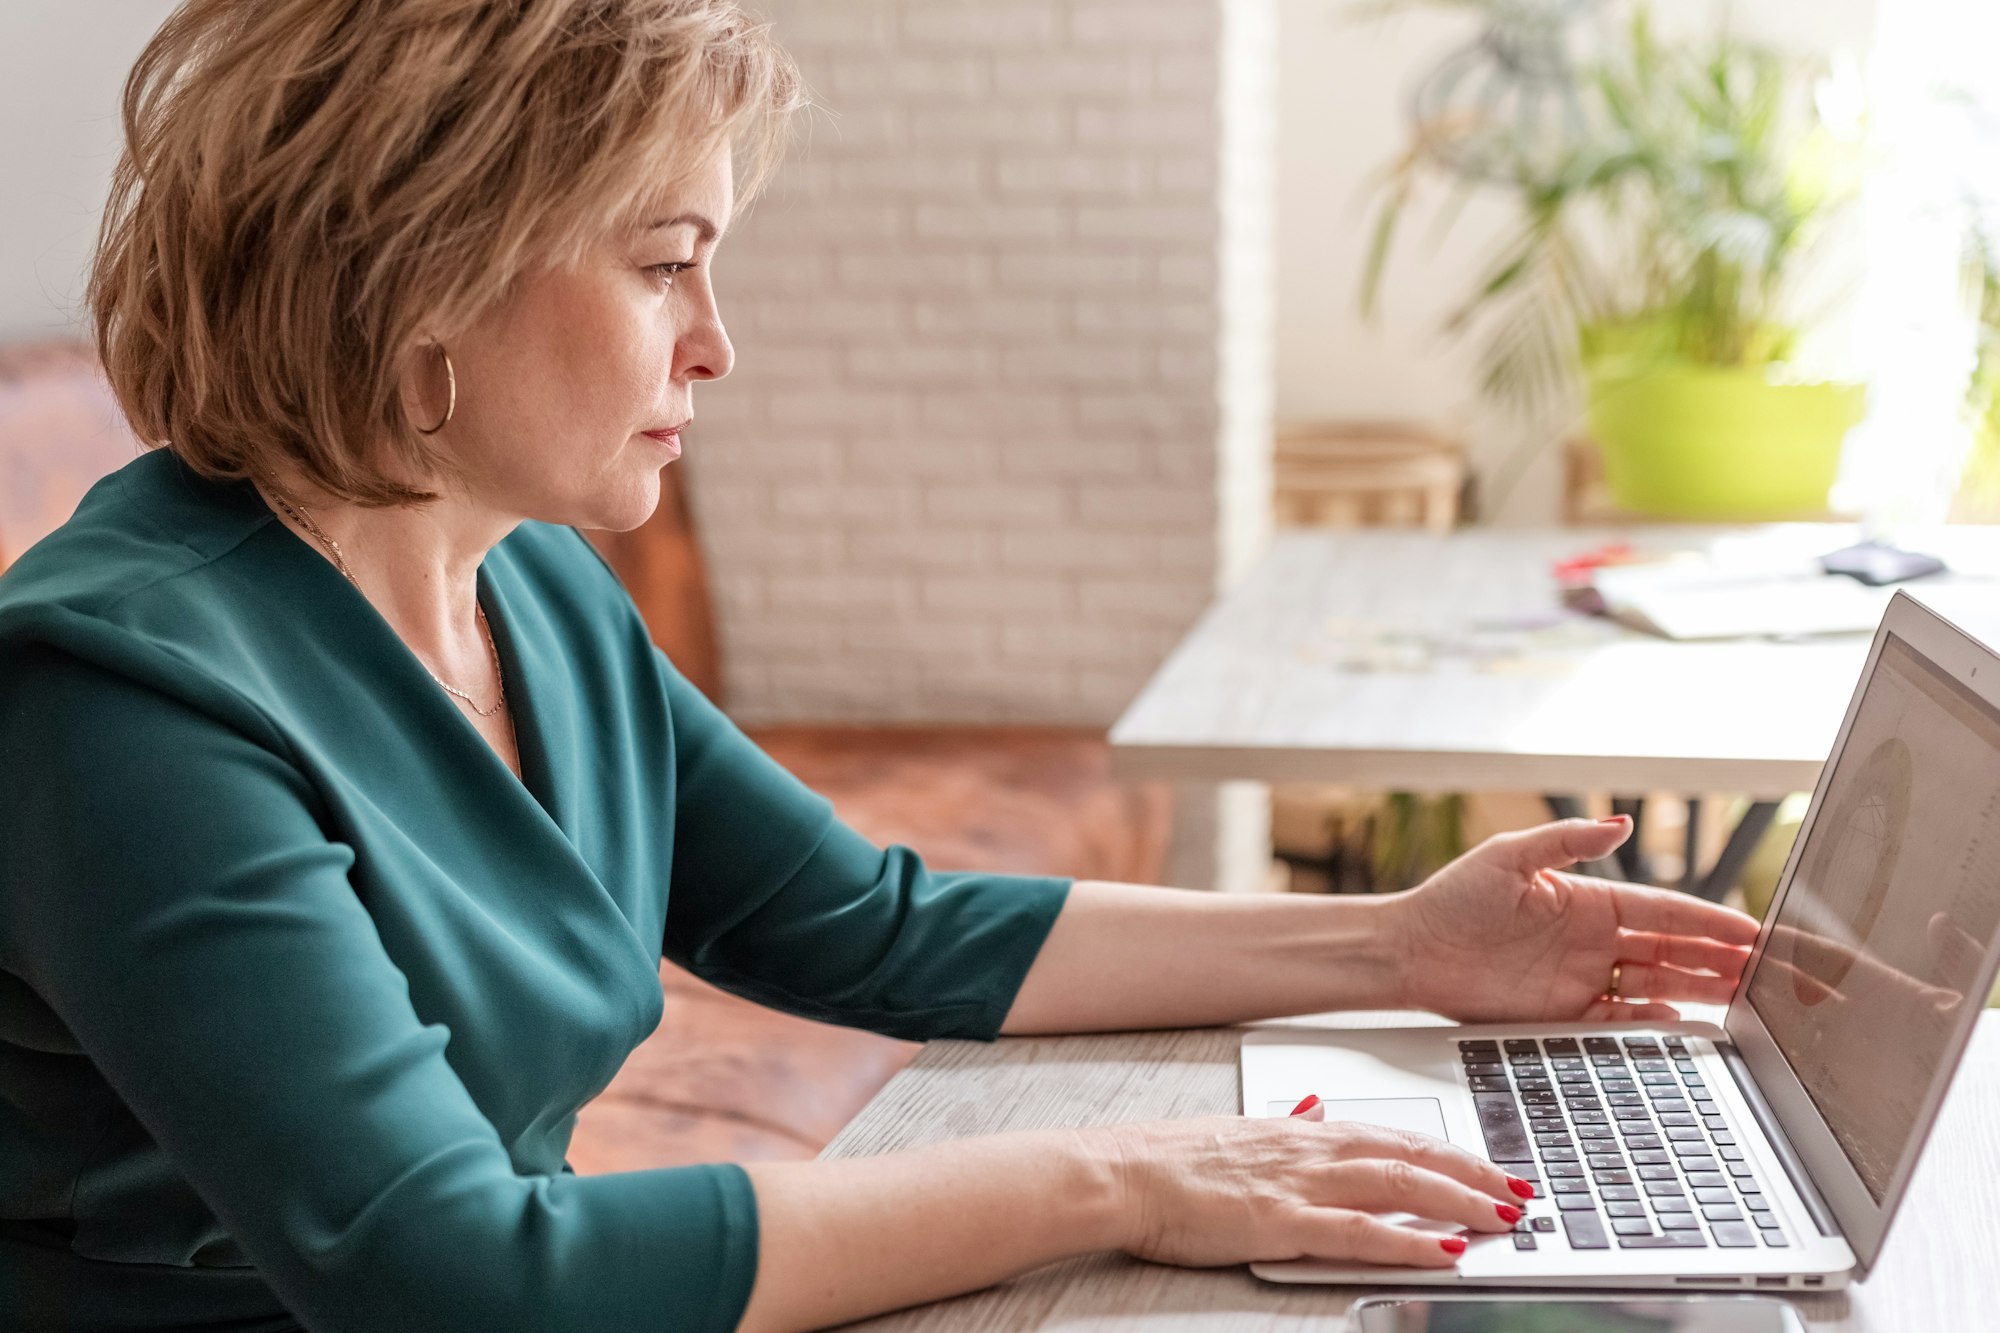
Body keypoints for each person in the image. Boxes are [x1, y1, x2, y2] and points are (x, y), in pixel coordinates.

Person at [0, 1, 1762, 1329]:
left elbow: (879, 925)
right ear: (421, 274)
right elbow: (458, 1276)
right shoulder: (121, 702)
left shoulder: (526, 585)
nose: (717, 341)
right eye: (664, 264)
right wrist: (1132, 1176)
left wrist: (1399, 946)